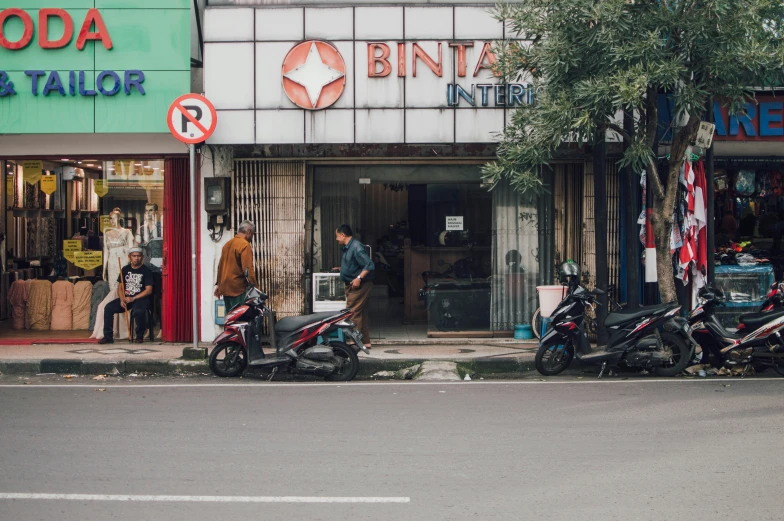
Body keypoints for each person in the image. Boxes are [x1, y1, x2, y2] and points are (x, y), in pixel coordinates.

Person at [99, 247, 154, 344]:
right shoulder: (125, 269)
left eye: (138, 256)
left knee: (139, 311)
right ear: (129, 257)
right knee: (108, 308)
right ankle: (108, 337)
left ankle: (139, 336)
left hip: (140, 299)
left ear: (142, 257)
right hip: (127, 299)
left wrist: (133, 298)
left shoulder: (146, 271)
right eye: (134, 256)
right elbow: (120, 287)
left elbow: (149, 290)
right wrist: (122, 299)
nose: (136, 258)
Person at [335, 224, 374, 349]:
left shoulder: (356, 247)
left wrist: (358, 278)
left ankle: (354, 341)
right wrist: (343, 269)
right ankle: (365, 341)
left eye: (337, 236)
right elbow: (355, 264)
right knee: (361, 312)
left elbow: (369, 264)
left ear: (343, 235)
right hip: (354, 283)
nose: (336, 239)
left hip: (360, 285)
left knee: (352, 311)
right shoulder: (349, 247)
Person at [215, 220, 258, 312]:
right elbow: (248, 269)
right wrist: (255, 288)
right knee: (240, 320)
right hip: (237, 290)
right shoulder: (244, 245)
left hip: (225, 289)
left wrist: (219, 285)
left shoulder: (227, 244)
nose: (252, 238)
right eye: (252, 234)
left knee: (230, 319)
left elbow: (220, 266)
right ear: (249, 232)